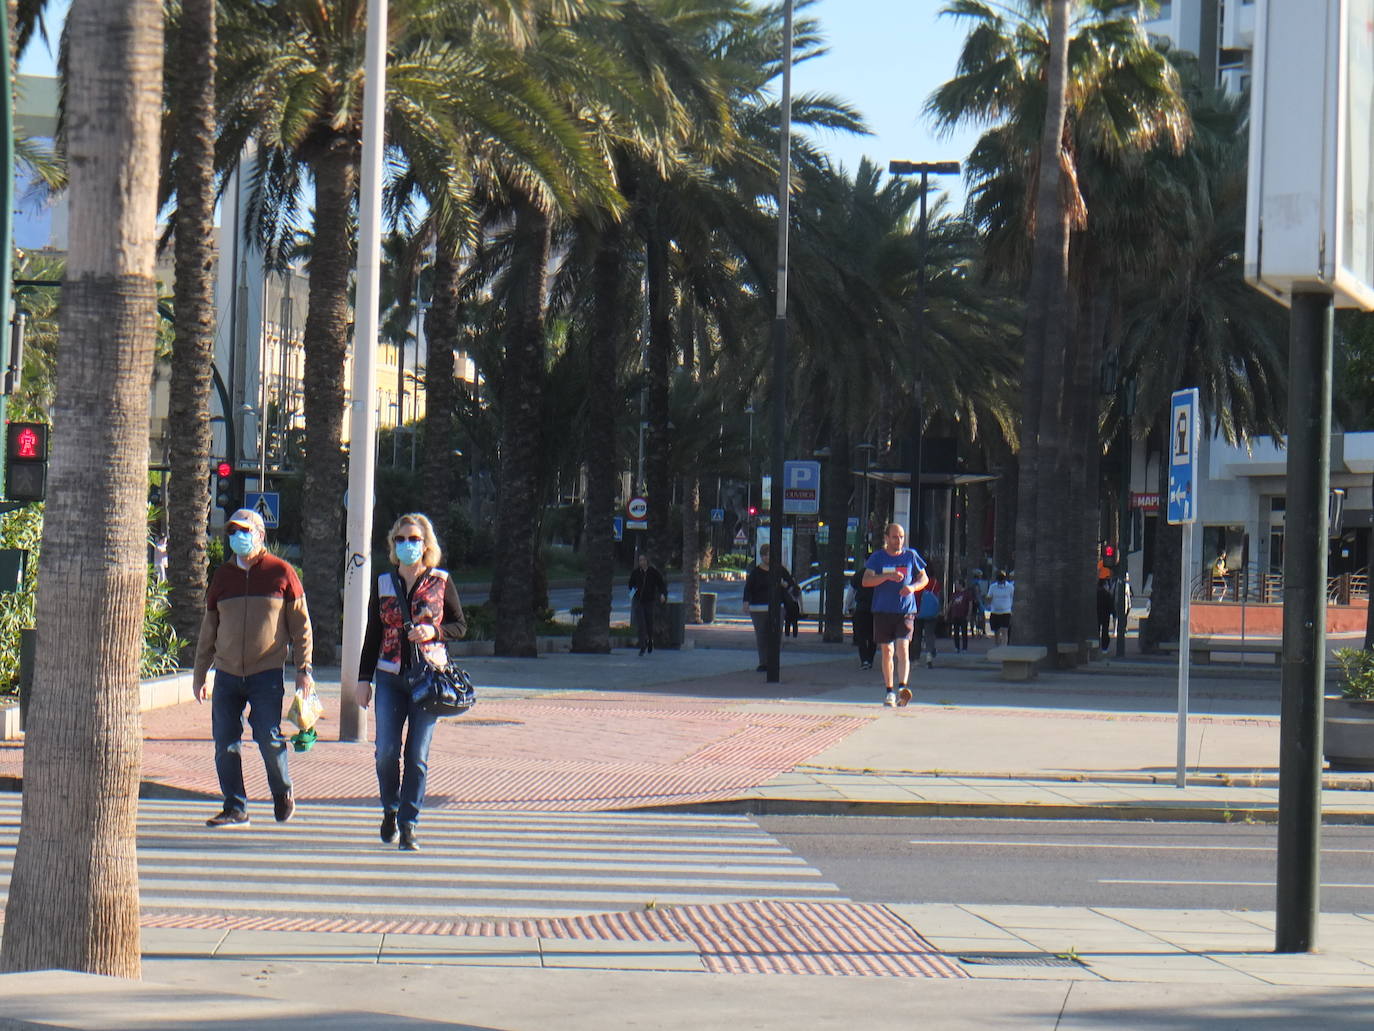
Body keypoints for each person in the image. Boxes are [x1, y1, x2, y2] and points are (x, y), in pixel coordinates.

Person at [193, 508, 314, 828]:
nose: (238, 537)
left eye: (245, 531)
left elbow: (302, 626)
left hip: (266, 672)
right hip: (228, 672)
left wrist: (305, 669)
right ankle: (235, 807)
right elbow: (210, 627)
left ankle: (282, 791)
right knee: (225, 741)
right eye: (233, 531)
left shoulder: (281, 572)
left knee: (267, 735)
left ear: (261, 535)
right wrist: (200, 673)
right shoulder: (222, 577)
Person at [356, 513, 467, 852]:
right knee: (386, 752)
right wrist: (363, 679)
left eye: (414, 539)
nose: (407, 545)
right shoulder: (384, 583)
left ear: (426, 544)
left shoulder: (441, 581)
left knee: (417, 755)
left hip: (428, 678)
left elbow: (460, 626)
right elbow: (373, 634)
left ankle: (409, 824)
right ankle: (391, 808)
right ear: (393, 544)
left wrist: (434, 630)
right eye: (401, 539)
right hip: (389, 676)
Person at [862, 523, 929, 708]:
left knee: (902, 648)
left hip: (905, 610)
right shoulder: (878, 558)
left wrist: (912, 587)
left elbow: (924, 578)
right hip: (883, 610)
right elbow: (866, 581)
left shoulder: (911, 556)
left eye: (901, 537)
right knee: (887, 651)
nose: (898, 541)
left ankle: (902, 688)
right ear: (886, 538)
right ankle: (889, 691)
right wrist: (887, 577)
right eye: (894, 537)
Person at [742, 543, 796, 672]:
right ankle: (763, 662)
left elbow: (792, 586)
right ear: (761, 556)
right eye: (764, 555)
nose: (767, 558)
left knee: (776, 635)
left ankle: (773, 661)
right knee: (761, 636)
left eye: (769, 555)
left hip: (777, 607)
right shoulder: (755, 572)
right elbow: (748, 588)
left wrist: (784, 584)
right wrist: (746, 602)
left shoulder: (780, 570)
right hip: (758, 609)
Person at [628, 553, 668, 655]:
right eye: (640, 560)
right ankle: (642, 645)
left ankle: (650, 640)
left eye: (643, 560)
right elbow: (630, 584)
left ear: (647, 561)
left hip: (649, 601)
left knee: (649, 623)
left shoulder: (653, 572)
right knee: (641, 624)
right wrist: (633, 592)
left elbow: (661, 584)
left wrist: (663, 594)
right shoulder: (636, 573)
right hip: (638, 601)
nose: (641, 562)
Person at [849, 568, 876, 671]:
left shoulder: (859, 574)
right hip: (875, 608)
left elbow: (851, 592)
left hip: (861, 608)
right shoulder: (878, 573)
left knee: (861, 636)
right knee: (873, 636)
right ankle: (870, 659)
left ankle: (864, 660)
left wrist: (848, 606)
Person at [914, 577, 942, 669]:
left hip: (917, 612)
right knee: (929, 635)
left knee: (917, 636)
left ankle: (916, 659)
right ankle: (929, 657)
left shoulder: (917, 581)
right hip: (931, 614)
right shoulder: (934, 582)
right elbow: (938, 597)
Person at [987, 569, 1014, 647]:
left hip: (1006, 611)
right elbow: (989, 597)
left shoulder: (1010, 587)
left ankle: (1004, 647)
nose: (1000, 582)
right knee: (996, 632)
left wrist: (1011, 609)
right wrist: (988, 601)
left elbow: (1012, 597)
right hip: (995, 611)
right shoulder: (993, 587)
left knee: (1005, 630)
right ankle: (997, 646)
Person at [947, 579, 975, 654]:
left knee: (964, 632)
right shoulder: (954, 594)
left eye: (957, 584)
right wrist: (947, 611)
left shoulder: (967, 593)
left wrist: (969, 614)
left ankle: (964, 648)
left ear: (960, 585)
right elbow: (950, 603)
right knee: (956, 632)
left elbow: (970, 604)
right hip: (955, 615)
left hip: (963, 615)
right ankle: (957, 647)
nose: (956, 586)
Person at [1097, 575, 1115, 652]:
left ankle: (1097, 646)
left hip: (1097, 614)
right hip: (1105, 615)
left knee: (1096, 630)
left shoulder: (1096, 594)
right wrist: (1114, 614)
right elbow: (1111, 605)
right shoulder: (1107, 595)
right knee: (1105, 631)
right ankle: (1104, 647)